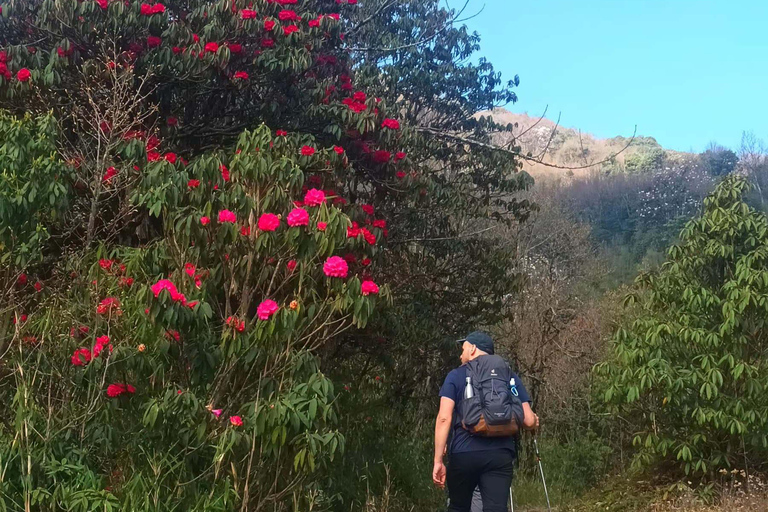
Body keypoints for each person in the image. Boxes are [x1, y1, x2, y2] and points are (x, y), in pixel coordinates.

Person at [433, 331, 538, 512]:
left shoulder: (456, 375)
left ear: (473, 349)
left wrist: (438, 461)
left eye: (463, 348)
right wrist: (535, 421)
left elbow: (444, 418)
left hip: (464, 454)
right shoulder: (509, 375)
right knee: (496, 508)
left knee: (458, 507)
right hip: (500, 455)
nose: (460, 354)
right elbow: (528, 421)